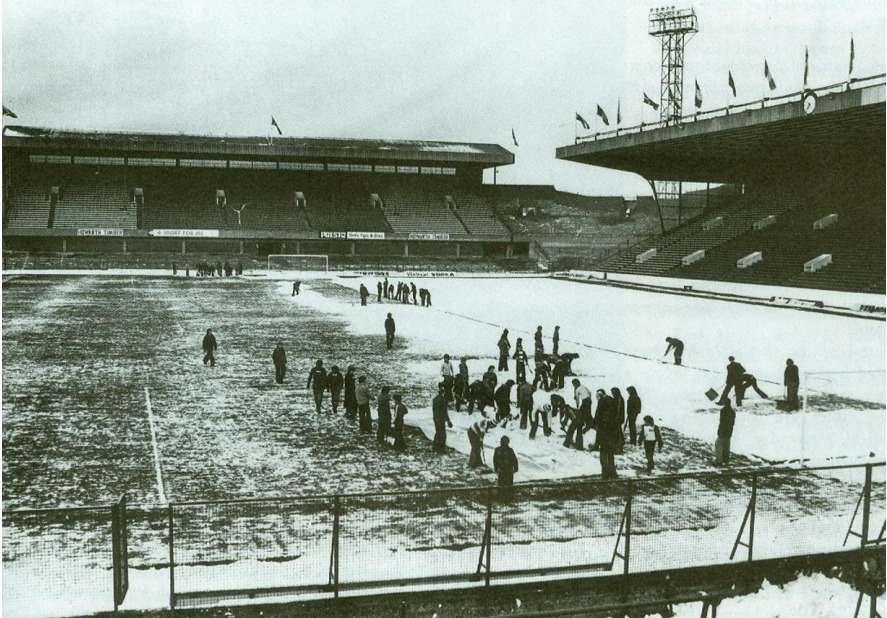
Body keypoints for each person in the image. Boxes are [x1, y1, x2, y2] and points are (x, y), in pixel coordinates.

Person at [595, 389, 620, 479]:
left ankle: (605, 473)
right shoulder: (612, 401)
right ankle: (612, 472)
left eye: (597, 396)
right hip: (612, 433)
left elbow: (597, 416)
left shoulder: (602, 402)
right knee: (610, 454)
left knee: (603, 453)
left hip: (604, 433)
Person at [564, 379, 592, 450]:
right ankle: (579, 445)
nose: (573, 386)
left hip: (584, 404)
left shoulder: (577, 389)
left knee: (575, 425)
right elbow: (590, 392)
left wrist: (577, 406)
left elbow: (577, 399)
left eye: (573, 384)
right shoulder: (583, 386)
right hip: (589, 400)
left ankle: (567, 443)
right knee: (586, 415)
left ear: (575, 384)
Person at [493, 435, 518, 500]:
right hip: (508, 469)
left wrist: (496, 468)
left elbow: (495, 460)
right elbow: (514, 459)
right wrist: (515, 468)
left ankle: (501, 496)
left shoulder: (497, 449)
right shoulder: (510, 450)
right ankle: (509, 496)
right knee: (508, 483)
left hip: (502, 469)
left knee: (501, 482)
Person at [432, 383, 452, 453]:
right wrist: (448, 421)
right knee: (442, 434)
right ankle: (441, 449)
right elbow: (444, 411)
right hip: (440, 419)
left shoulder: (435, 399)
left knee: (438, 433)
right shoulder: (443, 400)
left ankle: (435, 447)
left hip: (435, 418)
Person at [714, 400, 736, 466]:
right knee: (726, 446)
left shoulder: (723, 411)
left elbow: (722, 422)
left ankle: (718, 461)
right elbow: (732, 423)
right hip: (729, 431)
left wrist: (720, 431)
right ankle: (726, 460)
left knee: (718, 444)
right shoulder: (732, 412)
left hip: (723, 431)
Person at [611, 387, 626, 453]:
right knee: (618, 432)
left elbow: (618, 410)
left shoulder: (619, 399)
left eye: (613, 393)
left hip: (618, 418)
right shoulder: (618, 398)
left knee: (617, 433)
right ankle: (619, 445)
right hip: (618, 418)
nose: (612, 394)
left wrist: (615, 418)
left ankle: (619, 447)